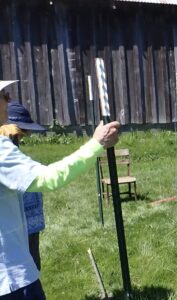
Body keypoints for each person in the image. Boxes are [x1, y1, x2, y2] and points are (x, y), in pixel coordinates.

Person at [0, 80, 120, 299]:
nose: (8, 100)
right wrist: (96, 144)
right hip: (10, 277)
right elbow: (49, 178)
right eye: (3, 95)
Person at [0, 102, 48, 272]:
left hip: (31, 221)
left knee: (33, 264)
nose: (22, 136)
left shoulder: (12, 147)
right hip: (16, 225)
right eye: (20, 132)